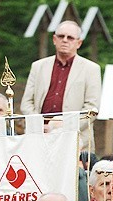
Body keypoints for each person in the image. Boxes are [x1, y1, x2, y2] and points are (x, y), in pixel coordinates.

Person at [20, 21, 101, 153]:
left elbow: (91, 109)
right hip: (38, 137)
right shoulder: (38, 66)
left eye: (70, 38)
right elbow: (26, 103)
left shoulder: (91, 69)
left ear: (79, 43)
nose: (65, 40)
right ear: (54, 39)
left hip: (75, 141)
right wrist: (39, 125)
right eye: (61, 36)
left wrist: (62, 128)